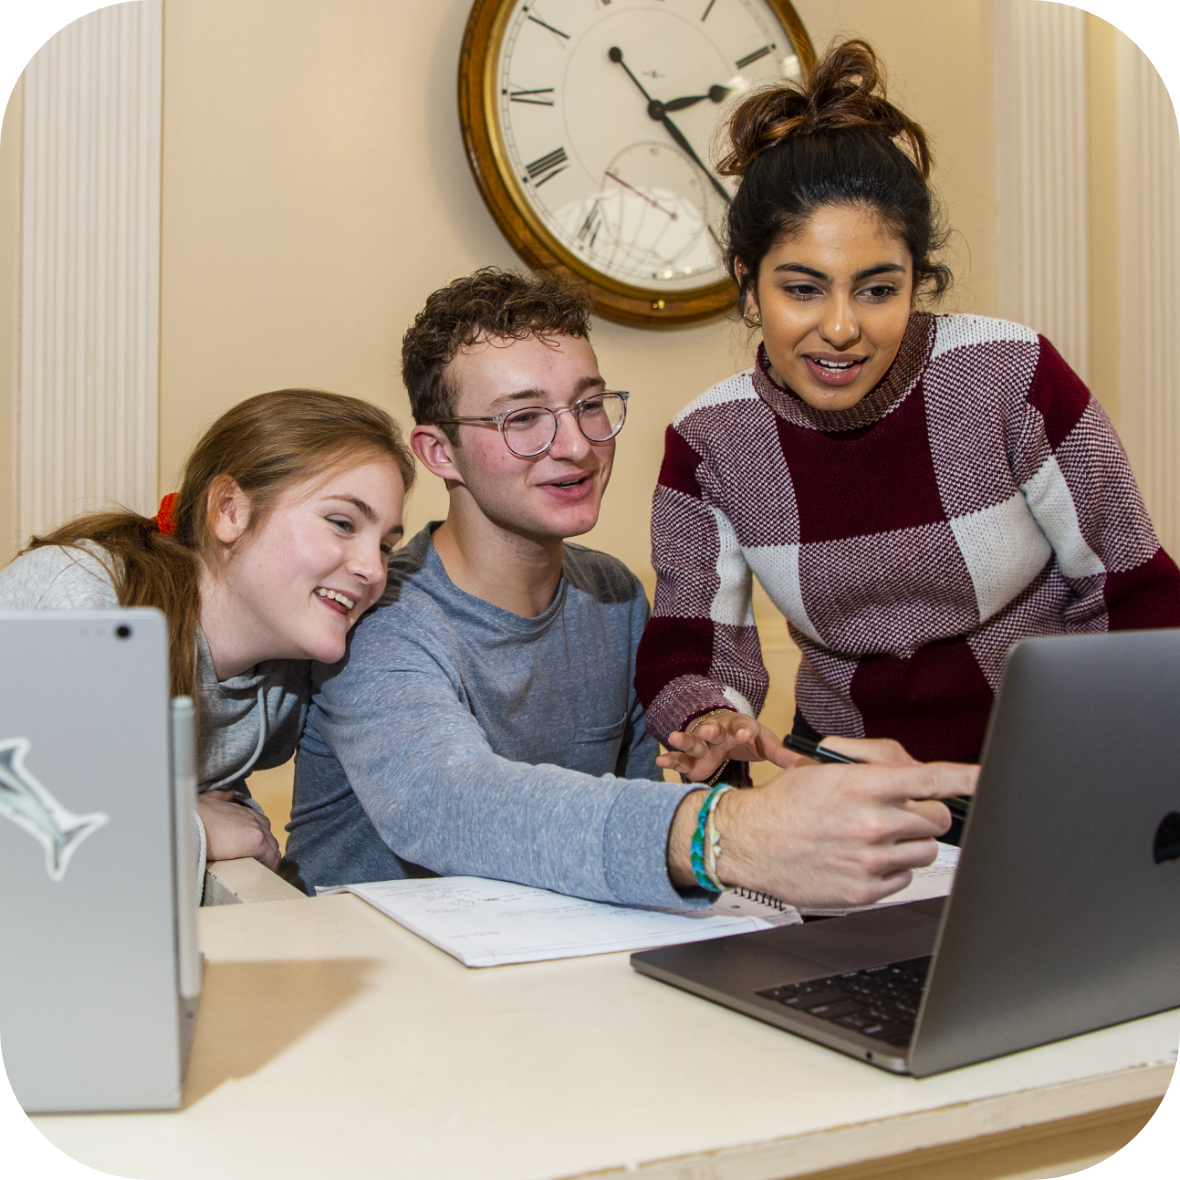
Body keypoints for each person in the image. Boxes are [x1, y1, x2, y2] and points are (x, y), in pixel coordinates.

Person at [283, 268, 977, 910]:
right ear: (439, 453)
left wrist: (737, 765)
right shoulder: (383, 613)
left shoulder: (611, 595)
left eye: (589, 404)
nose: (578, 446)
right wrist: (727, 829)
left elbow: (643, 815)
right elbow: (445, 801)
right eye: (523, 418)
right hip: (379, 993)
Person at [636, 40, 1180, 784]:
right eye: (801, 288)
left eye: (877, 289)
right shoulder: (709, 442)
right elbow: (695, 645)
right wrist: (708, 720)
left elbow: (1132, 592)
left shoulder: (1012, 375)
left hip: (1047, 769)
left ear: (917, 281)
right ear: (746, 283)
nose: (840, 327)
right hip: (844, 784)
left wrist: (1110, 776)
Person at [0, 389, 412, 885]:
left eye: (387, 546)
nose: (372, 569)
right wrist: (190, 828)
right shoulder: (80, 599)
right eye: (342, 522)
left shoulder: (289, 678)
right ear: (230, 510)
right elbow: (26, 840)